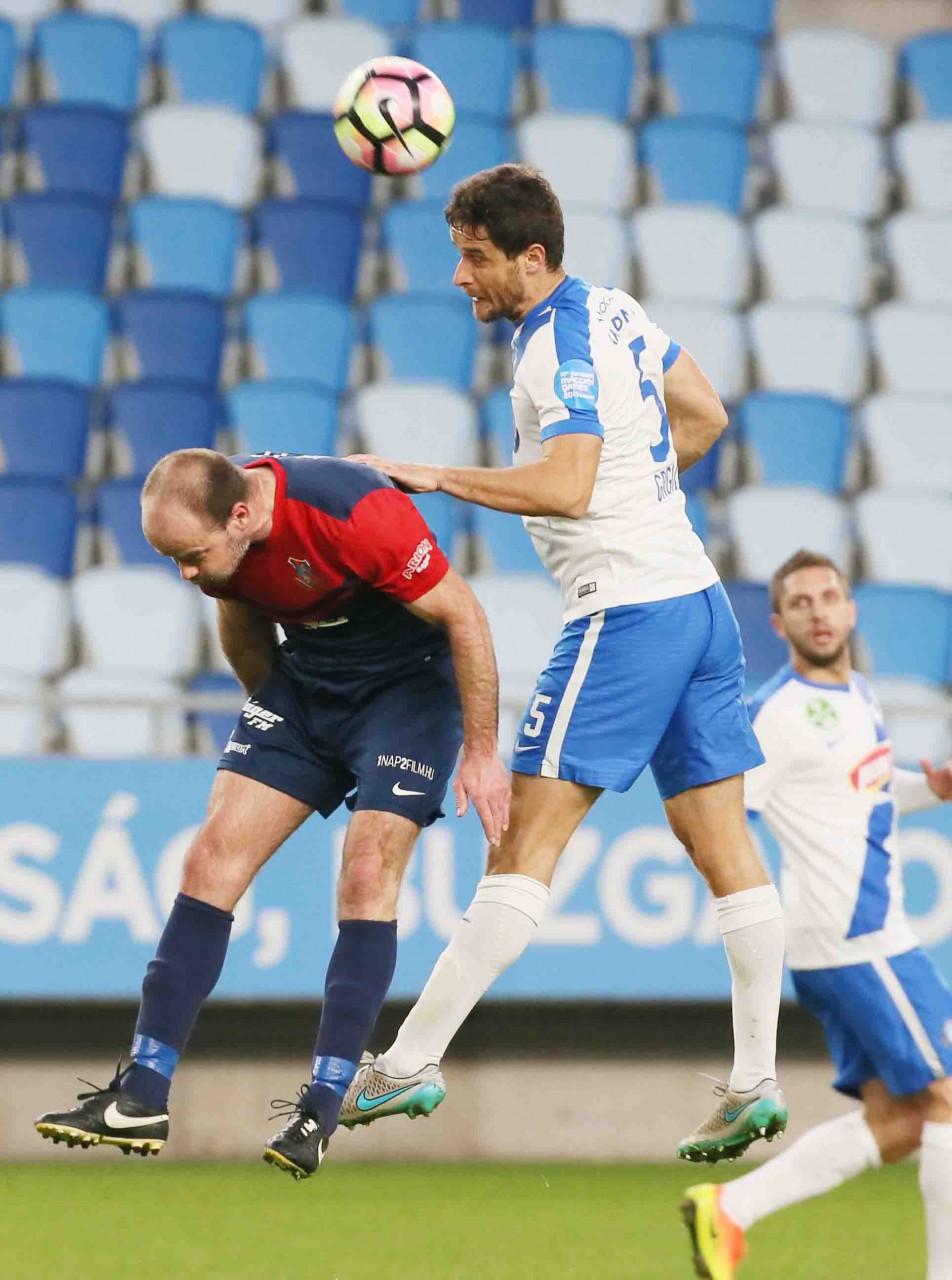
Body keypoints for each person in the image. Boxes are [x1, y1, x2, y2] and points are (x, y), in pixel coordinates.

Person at [344, 163, 787, 1162]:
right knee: (726, 851)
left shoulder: (551, 344)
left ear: (530, 257)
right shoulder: (615, 310)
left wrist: (432, 475)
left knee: (521, 846)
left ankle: (409, 1060)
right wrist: (642, 497)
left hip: (624, 614)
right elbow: (705, 414)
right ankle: (756, 1077)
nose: (460, 276)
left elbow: (571, 483)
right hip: (699, 603)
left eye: (474, 257)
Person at [34, 448, 509, 1182]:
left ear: (242, 515)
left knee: (366, 874)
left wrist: (480, 752)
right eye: (172, 559)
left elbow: (465, 615)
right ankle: (142, 1094)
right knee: (208, 861)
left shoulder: (352, 512)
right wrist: (279, 741)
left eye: (192, 557)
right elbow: (240, 620)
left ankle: (323, 1104)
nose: (185, 574)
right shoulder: (219, 542)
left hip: (408, 696)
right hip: (307, 689)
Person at [683, 550, 952, 1280]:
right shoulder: (776, 713)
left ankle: (729, 1210)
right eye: (801, 603)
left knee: (902, 1121)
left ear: (851, 609)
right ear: (779, 624)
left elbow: (861, 791)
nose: (819, 612)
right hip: (856, 937)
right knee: (947, 1100)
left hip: (854, 939)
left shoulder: (858, 692)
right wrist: (748, 910)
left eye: (829, 597)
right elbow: (723, 814)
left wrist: (931, 789)